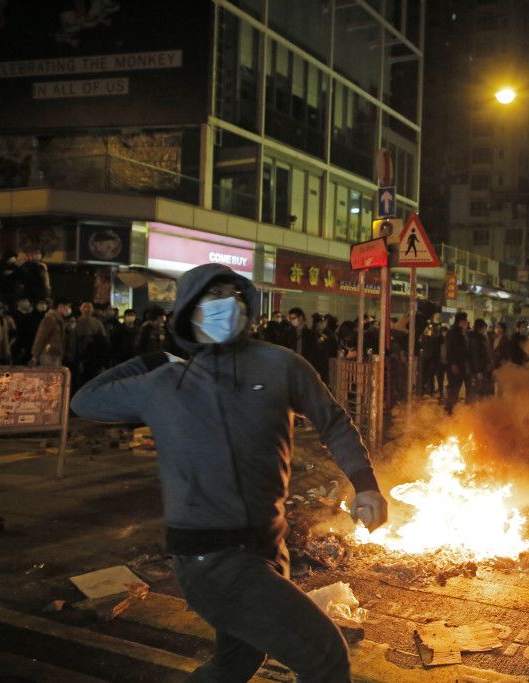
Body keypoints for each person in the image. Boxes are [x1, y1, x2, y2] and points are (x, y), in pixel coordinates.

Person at [70, 263, 387, 682]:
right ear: (188, 312)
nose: (226, 305)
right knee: (325, 655)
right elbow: (85, 401)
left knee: (235, 664)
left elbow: (332, 422)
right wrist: (148, 359)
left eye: (232, 294)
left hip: (269, 548)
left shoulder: (280, 365)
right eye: (212, 297)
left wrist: (365, 485)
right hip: (210, 559)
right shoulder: (166, 382)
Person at [73, 301, 109, 390]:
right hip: (80, 357)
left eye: (89, 307)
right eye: (84, 307)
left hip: (94, 358)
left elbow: (103, 343)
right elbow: (73, 343)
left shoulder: (97, 323)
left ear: (92, 309)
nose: (87, 309)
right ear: (80, 308)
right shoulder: (76, 322)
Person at [30, 298, 72, 367]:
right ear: (61, 306)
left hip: (55, 354)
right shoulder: (50, 318)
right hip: (48, 354)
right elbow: (41, 337)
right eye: (68, 306)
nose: (69, 309)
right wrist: (35, 355)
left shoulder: (58, 320)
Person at [443, 312, 471, 415]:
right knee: (453, 388)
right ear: (459, 321)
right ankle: (449, 410)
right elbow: (450, 349)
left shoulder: (462, 333)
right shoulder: (453, 333)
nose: (466, 323)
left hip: (462, 364)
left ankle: (452, 409)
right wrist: (453, 364)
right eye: (464, 321)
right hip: (454, 365)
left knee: (457, 388)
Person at [468, 318, 494, 400]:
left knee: (483, 389)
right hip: (479, 370)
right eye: (484, 328)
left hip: (483, 369)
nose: (485, 330)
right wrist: (478, 371)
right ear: (481, 328)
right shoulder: (476, 339)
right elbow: (475, 356)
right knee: (478, 390)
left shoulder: (482, 338)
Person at [11, 295, 41, 365]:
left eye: (27, 301)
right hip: (19, 346)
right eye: (24, 301)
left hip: (30, 345)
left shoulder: (32, 315)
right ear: (18, 303)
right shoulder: (14, 315)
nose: (26, 303)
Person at [420, 313, 445, 397]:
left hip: (435, 356)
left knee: (438, 376)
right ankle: (430, 391)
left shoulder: (438, 329)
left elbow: (439, 340)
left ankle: (437, 391)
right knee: (431, 375)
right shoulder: (429, 329)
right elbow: (429, 339)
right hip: (430, 356)